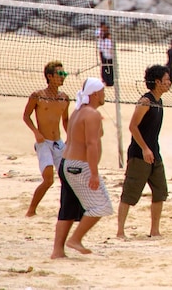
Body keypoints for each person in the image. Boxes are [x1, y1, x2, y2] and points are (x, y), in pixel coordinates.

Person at [51, 78, 113, 258]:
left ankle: (57, 251)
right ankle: (75, 239)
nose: (104, 95)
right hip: (79, 166)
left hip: (67, 163)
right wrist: (94, 173)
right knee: (102, 206)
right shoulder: (90, 114)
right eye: (102, 91)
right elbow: (91, 145)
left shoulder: (79, 111)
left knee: (68, 208)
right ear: (95, 94)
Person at [116, 65, 172, 239]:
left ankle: (154, 230)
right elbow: (133, 126)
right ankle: (120, 232)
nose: (169, 83)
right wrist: (145, 149)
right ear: (157, 82)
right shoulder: (145, 101)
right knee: (129, 193)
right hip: (139, 154)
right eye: (166, 80)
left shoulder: (159, 101)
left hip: (155, 153)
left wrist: (151, 150)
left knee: (160, 191)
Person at [22, 61, 71, 217]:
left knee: (68, 178)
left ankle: (66, 211)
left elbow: (65, 120)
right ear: (50, 76)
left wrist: (70, 137)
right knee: (48, 179)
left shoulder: (64, 98)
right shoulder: (38, 96)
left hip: (58, 142)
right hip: (44, 142)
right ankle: (31, 210)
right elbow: (26, 116)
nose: (63, 77)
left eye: (64, 74)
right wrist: (36, 132)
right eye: (60, 74)